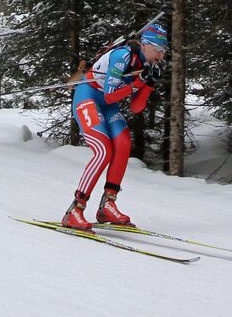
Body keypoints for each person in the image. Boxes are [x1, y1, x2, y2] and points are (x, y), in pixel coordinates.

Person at [61, 22, 167, 231]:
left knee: (124, 143)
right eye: (158, 50)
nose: (161, 55)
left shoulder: (147, 65)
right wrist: (138, 83)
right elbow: (110, 96)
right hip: (88, 96)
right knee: (103, 149)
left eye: (164, 51)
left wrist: (149, 84)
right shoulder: (122, 57)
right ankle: (75, 209)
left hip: (107, 105)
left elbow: (136, 108)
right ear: (145, 45)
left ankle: (107, 205)